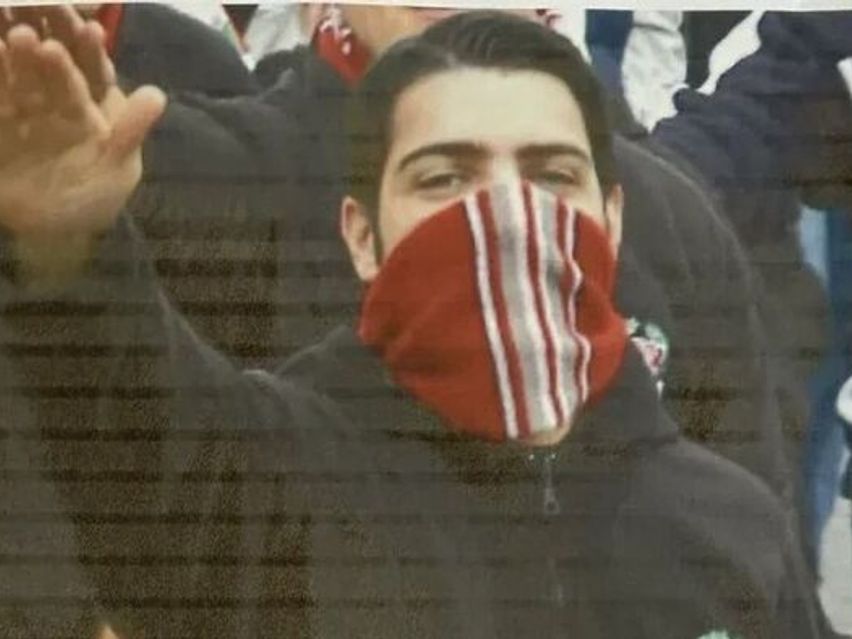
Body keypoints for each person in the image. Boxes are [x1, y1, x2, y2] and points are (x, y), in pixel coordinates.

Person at [0, 12, 827, 638]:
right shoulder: (283, 477)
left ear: (613, 216)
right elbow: (126, 417)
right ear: (361, 233)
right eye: (444, 178)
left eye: (550, 174)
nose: (505, 211)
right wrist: (66, 244)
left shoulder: (722, 519)